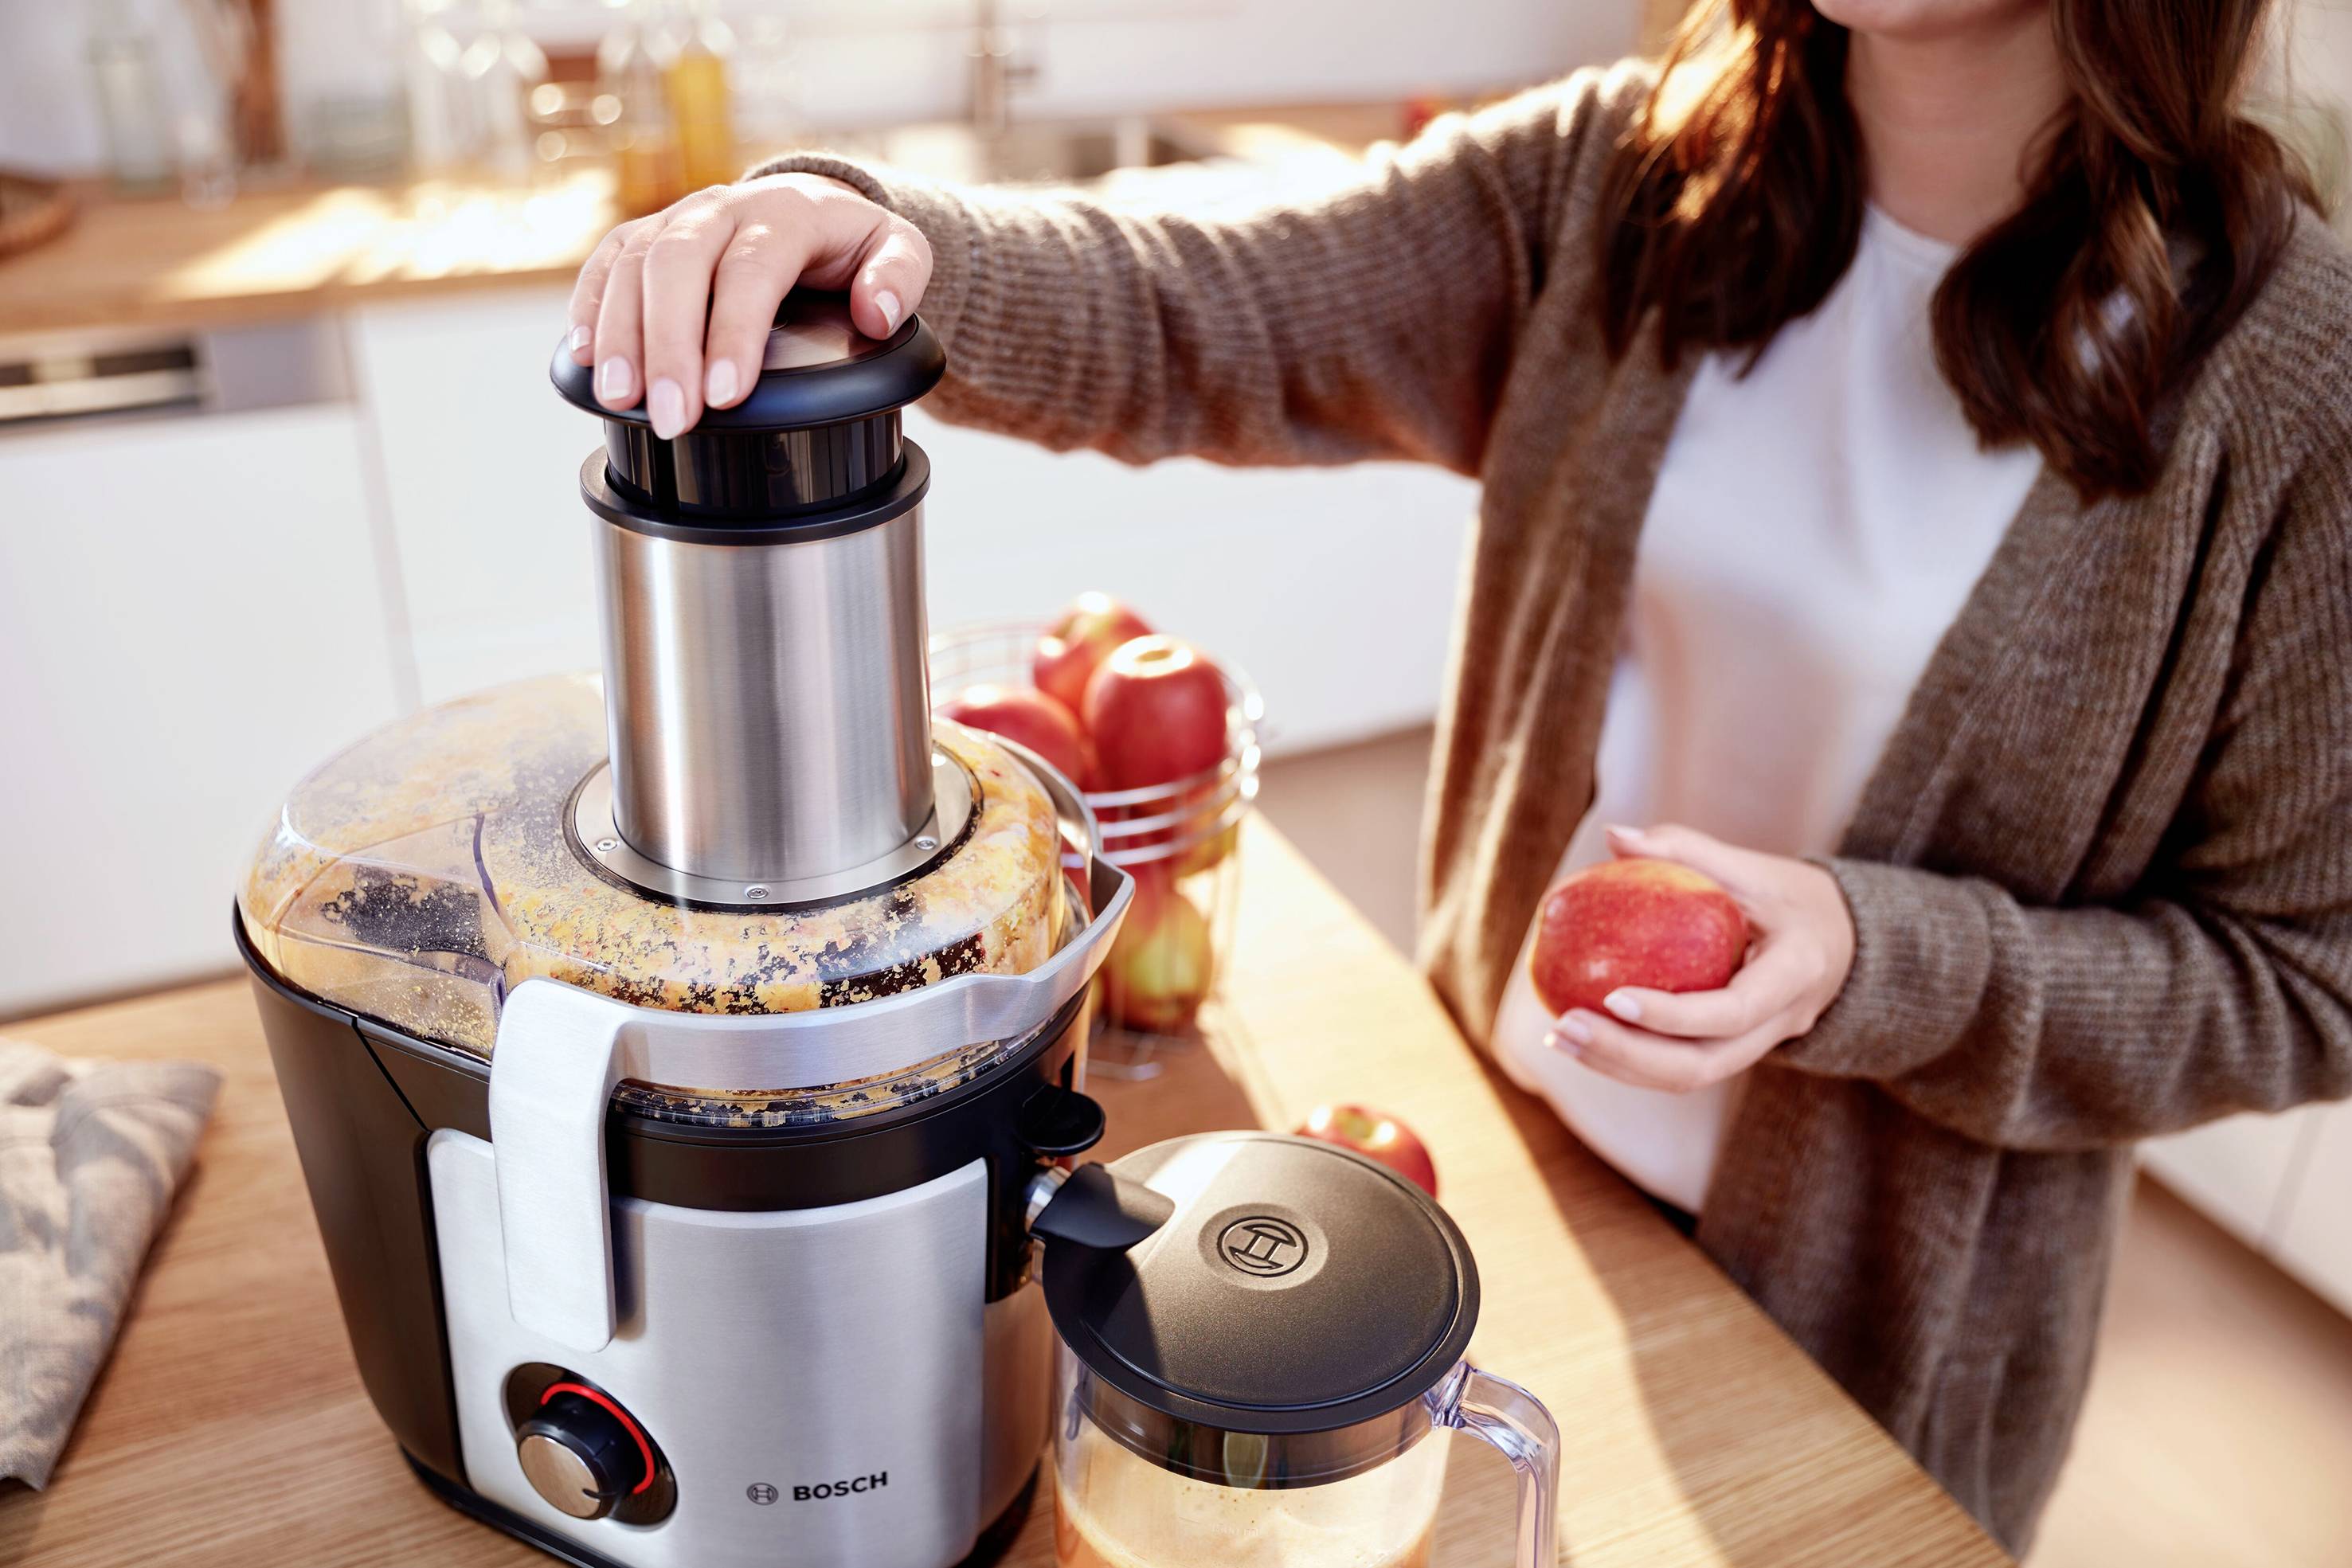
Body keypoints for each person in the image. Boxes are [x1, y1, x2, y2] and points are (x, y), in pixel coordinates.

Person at [565, 0, 2352, 1549]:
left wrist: (1874, 961)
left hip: (1870, 1339)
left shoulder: (2293, 385)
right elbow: (1206, 307)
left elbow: (2304, 977)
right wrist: (873, 241)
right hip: (1488, 1182)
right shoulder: (1632, 184)